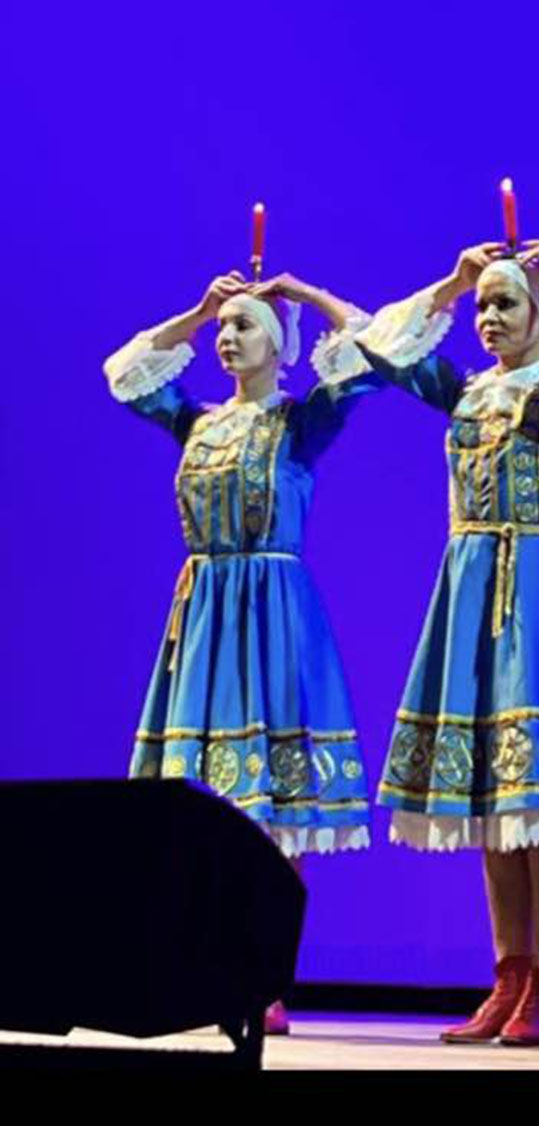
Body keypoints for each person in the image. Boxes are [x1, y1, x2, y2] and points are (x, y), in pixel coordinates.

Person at [329, 239, 539, 1046]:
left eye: (507, 303)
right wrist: (450, 282)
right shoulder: (467, 394)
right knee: (486, 800)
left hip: (534, 587)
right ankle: (505, 974)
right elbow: (377, 348)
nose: (490, 317)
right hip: (467, 585)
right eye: (484, 308)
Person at [104, 269, 376, 1033]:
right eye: (224, 328)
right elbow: (124, 374)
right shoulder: (197, 423)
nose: (228, 337)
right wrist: (194, 310)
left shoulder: (300, 423)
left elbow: (371, 347)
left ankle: (263, 971)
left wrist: (310, 294)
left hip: (270, 616)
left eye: (244, 325)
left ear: (280, 345)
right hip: (202, 615)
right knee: (200, 803)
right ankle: (201, 962)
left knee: (273, 812)